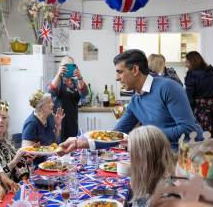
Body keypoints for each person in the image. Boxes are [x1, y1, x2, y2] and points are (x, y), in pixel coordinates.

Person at [59, 49, 203, 151]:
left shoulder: (168, 87)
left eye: (120, 72)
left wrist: (141, 138)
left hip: (187, 156)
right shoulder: (136, 100)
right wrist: (78, 143)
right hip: (162, 155)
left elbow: (188, 129)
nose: (116, 78)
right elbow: (115, 135)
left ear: (135, 70)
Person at [128, 126, 175, 207]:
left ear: (145, 157)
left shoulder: (163, 196)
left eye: (131, 154)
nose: (129, 159)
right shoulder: (153, 178)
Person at [184, 51, 213, 137]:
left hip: (201, 108)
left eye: (187, 62)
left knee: (204, 136)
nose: (185, 65)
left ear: (192, 62)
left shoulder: (191, 75)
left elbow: (189, 99)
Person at [48, 56, 88, 141]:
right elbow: (50, 92)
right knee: (59, 148)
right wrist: (58, 74)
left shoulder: (76, 82)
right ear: (60, 67)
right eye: (64, 66)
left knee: (72, 148)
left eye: (70, 66)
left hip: (73, 122)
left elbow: (85, 94)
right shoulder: (57, 81)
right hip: (59, 123)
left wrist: (80, 77)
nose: (67, 68)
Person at [0, 100, 32, 183]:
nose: (1, 120)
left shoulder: (9, 142)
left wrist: (26, 160)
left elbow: (18, 171)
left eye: (4, 117)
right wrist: (15, 161)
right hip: (2, 193)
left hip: (18, 188)